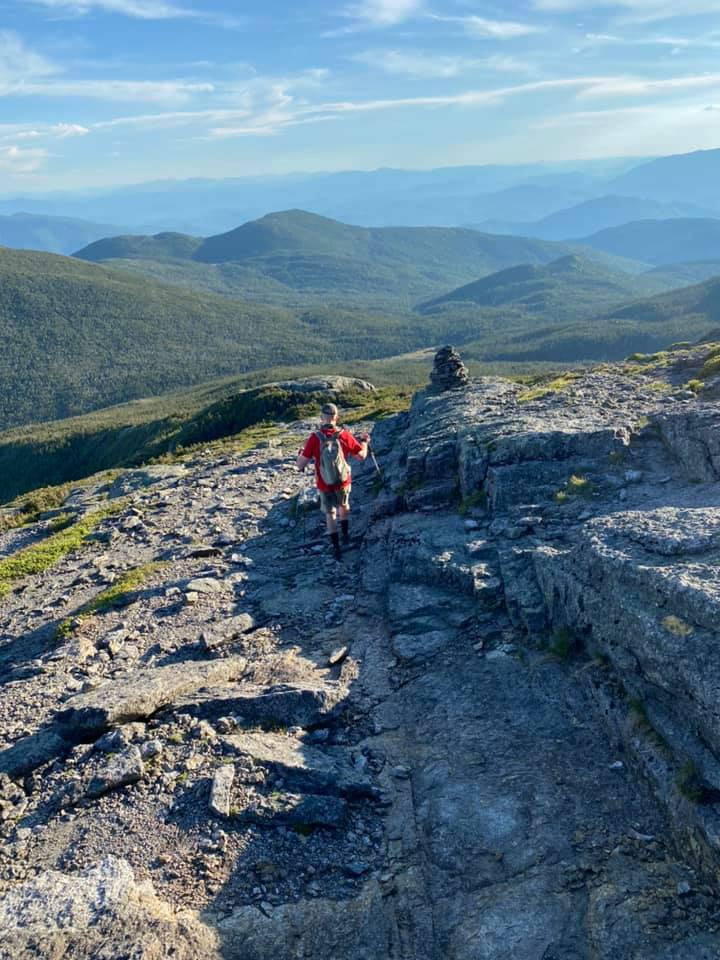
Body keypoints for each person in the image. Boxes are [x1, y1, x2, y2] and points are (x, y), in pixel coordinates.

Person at [296, 402, 369, 561]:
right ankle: (346, 535)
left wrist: (301, 453)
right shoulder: (344, 435)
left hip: (324, 483)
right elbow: (361, 456)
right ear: (336, 417)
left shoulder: (315, 438)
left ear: (322, 418)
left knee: (330, 513)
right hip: (343, 481)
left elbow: (301, 464)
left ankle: (336, 548)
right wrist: (364, 442)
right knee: (344, 505)